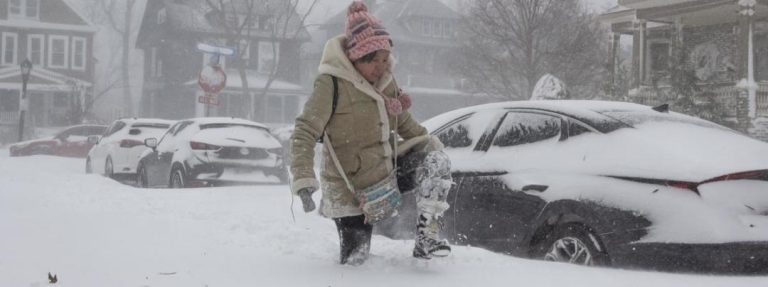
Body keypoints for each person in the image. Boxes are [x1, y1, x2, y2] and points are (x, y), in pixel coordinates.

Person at [289, 1, 453, 265]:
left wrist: (436, 148)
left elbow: (406, 124)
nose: (381, 66)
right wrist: (304, 179)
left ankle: (427, 237)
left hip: (386, 173)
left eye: (384, 58)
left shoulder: (386, 83)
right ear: (355, 58)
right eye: (373, 60)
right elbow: (304, 131)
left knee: (435, 161)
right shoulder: (331, 83)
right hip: (349, 187)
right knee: (357, 261)